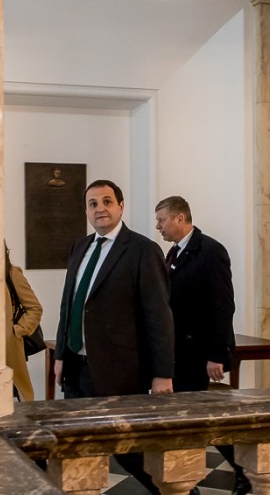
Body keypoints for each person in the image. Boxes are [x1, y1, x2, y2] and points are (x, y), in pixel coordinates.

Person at [55, 179, 174, 494]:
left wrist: (162, 373)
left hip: (119, 370)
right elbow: (69, 304)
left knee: (129, 449)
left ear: (121, 206)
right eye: (93, 203)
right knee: (77, 445)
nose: (100, 209)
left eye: (107, 201)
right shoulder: (80, 247)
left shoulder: (142, 250)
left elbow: (159, 316)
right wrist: (60, 355)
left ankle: (176, 491)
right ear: (86, 210)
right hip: (76, 366)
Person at [154, 196, 250, 495]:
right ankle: (194, 478)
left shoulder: (210, 250)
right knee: (189, 417)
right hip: (179, 351)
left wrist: (216, 354)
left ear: (180, 219)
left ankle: (238, 470)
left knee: (199, 419)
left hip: (197, 352)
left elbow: (222, 306)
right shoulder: (173, 252)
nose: (158, 226)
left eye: (162, 220)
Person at [4, 243, 43, 401]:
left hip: (8, 346)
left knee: (17, 395)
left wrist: (18, 330)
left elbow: (34, 308)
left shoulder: (12, 274)